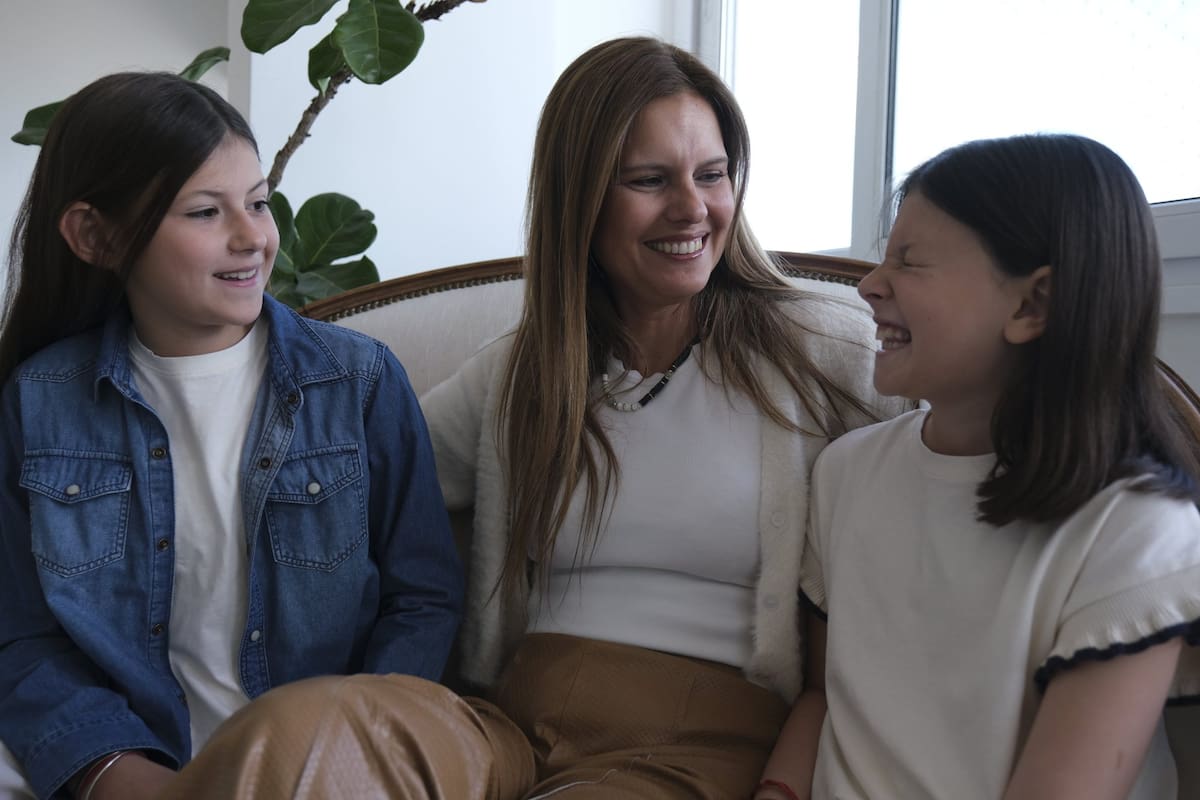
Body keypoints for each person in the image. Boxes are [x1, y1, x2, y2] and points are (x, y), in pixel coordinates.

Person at [164, 35, 905, 800]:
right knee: (290, 739)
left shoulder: (826, 354)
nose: (693, 208)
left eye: (712, 175)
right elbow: (361, 484)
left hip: (699, 742)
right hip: (503, 727)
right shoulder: (520, 371)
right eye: (650, 180)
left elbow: (962, 450)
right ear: (578, 196)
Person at [0, 72, 463, 800]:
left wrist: (352, 748)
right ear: (97, 236)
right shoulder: (37, 403)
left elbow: (423, 598)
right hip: (121, 763)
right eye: (207, 211)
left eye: (258, 203)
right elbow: (22, 638)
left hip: (330, 759)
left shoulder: (359, 382)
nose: (253, 237)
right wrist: (119, 775)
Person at [756, 133, 1200, 800]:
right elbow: (824, 697)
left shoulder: (1141, 531)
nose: (871, 286)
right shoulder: (847, 471)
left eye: (909, 262)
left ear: (1031, 305)